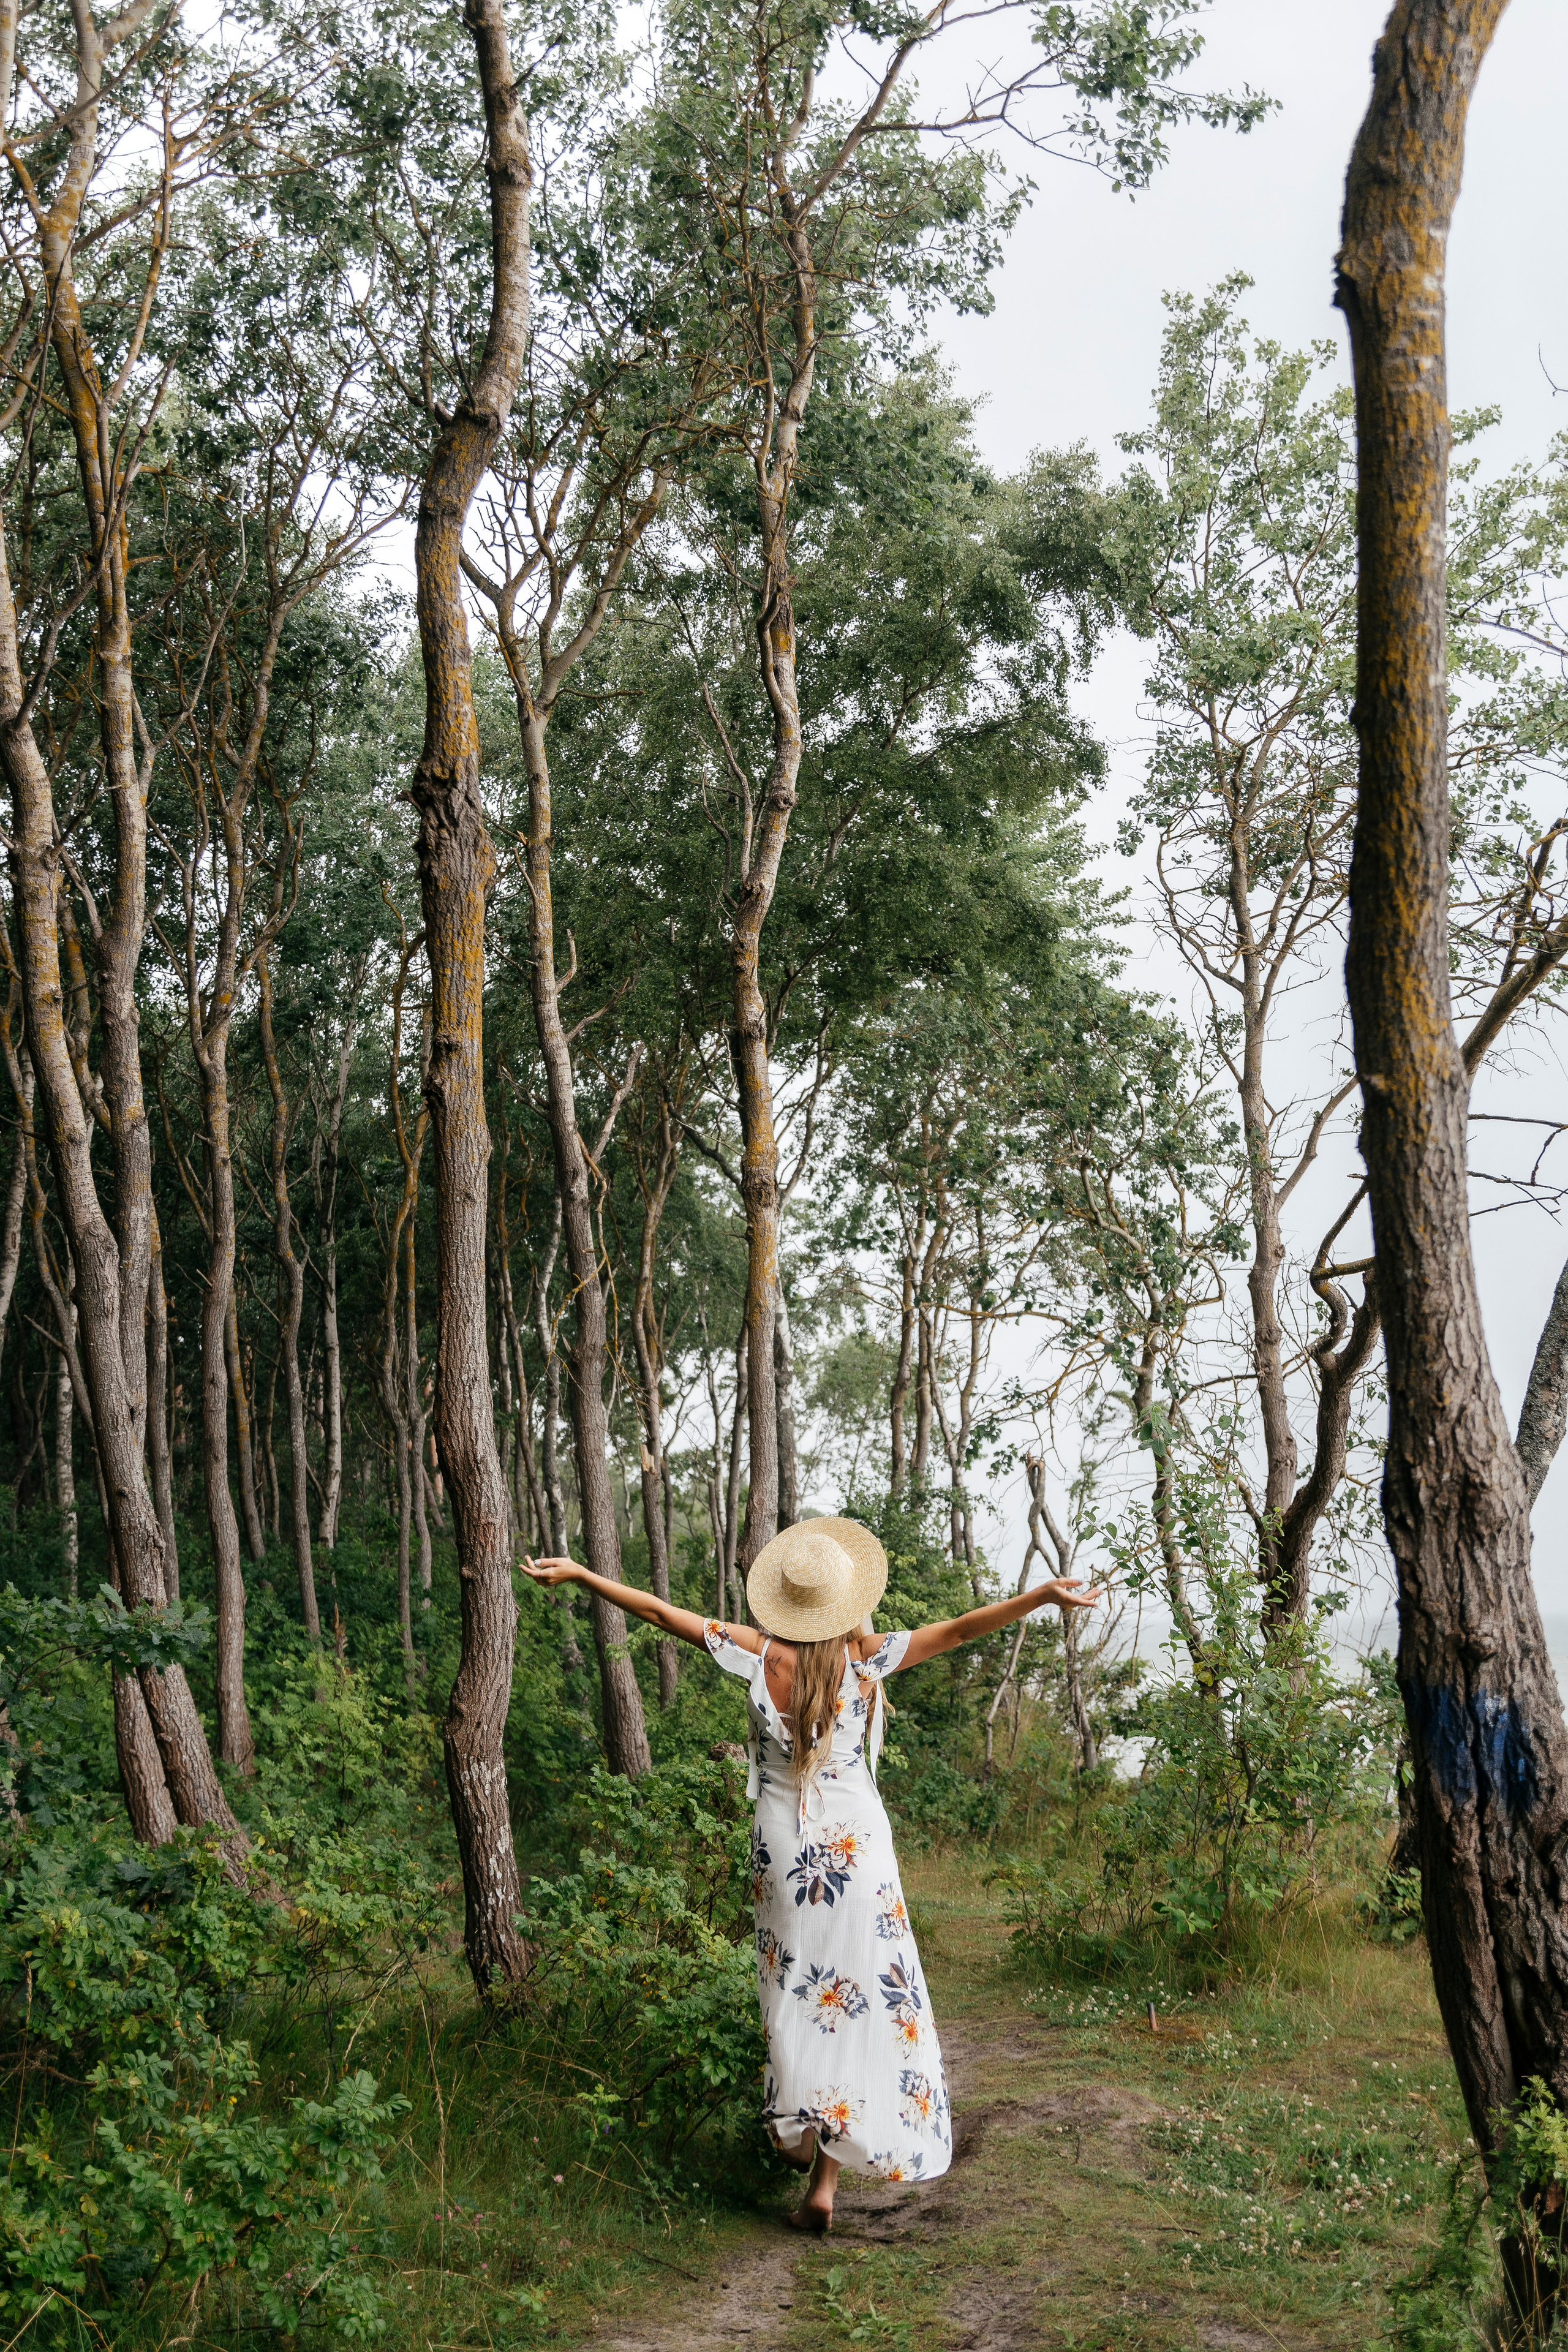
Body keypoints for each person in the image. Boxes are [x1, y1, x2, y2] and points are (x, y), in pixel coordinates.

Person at [522, 1517, 1102, 2231]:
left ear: (785, 1601)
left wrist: (583, 1573)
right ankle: (824, 2177)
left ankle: (800, 2136)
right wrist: (1040, 1596)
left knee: (797, 1989)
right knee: (856, 1993)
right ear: (846, 1600)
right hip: (858, 1848)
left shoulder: (754, 1652)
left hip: (784, 1850)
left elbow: (656, 1611)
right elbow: (956, 1631)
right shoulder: (866, 1659)